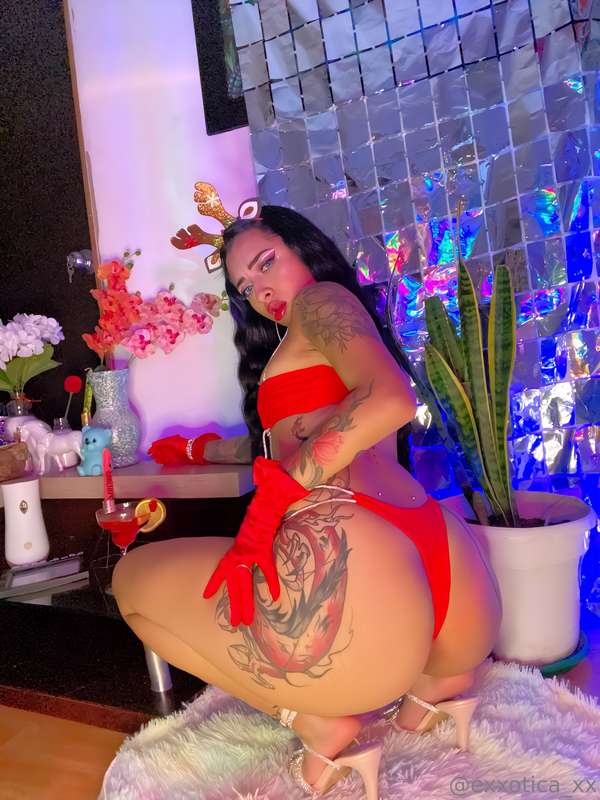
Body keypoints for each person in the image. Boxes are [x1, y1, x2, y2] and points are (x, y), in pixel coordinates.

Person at [112, 203, 501, 798]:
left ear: (305, 247)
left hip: (361, 555)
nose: (261, 290)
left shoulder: (320, 301)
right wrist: (197, 449)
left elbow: (391, 401)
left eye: (267, 263)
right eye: (246, 287)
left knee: (132, 580)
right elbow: (293, 434)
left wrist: (273, 504)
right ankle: (439, 687)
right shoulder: (317, 333)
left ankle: (321, 723)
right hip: (446, 562)